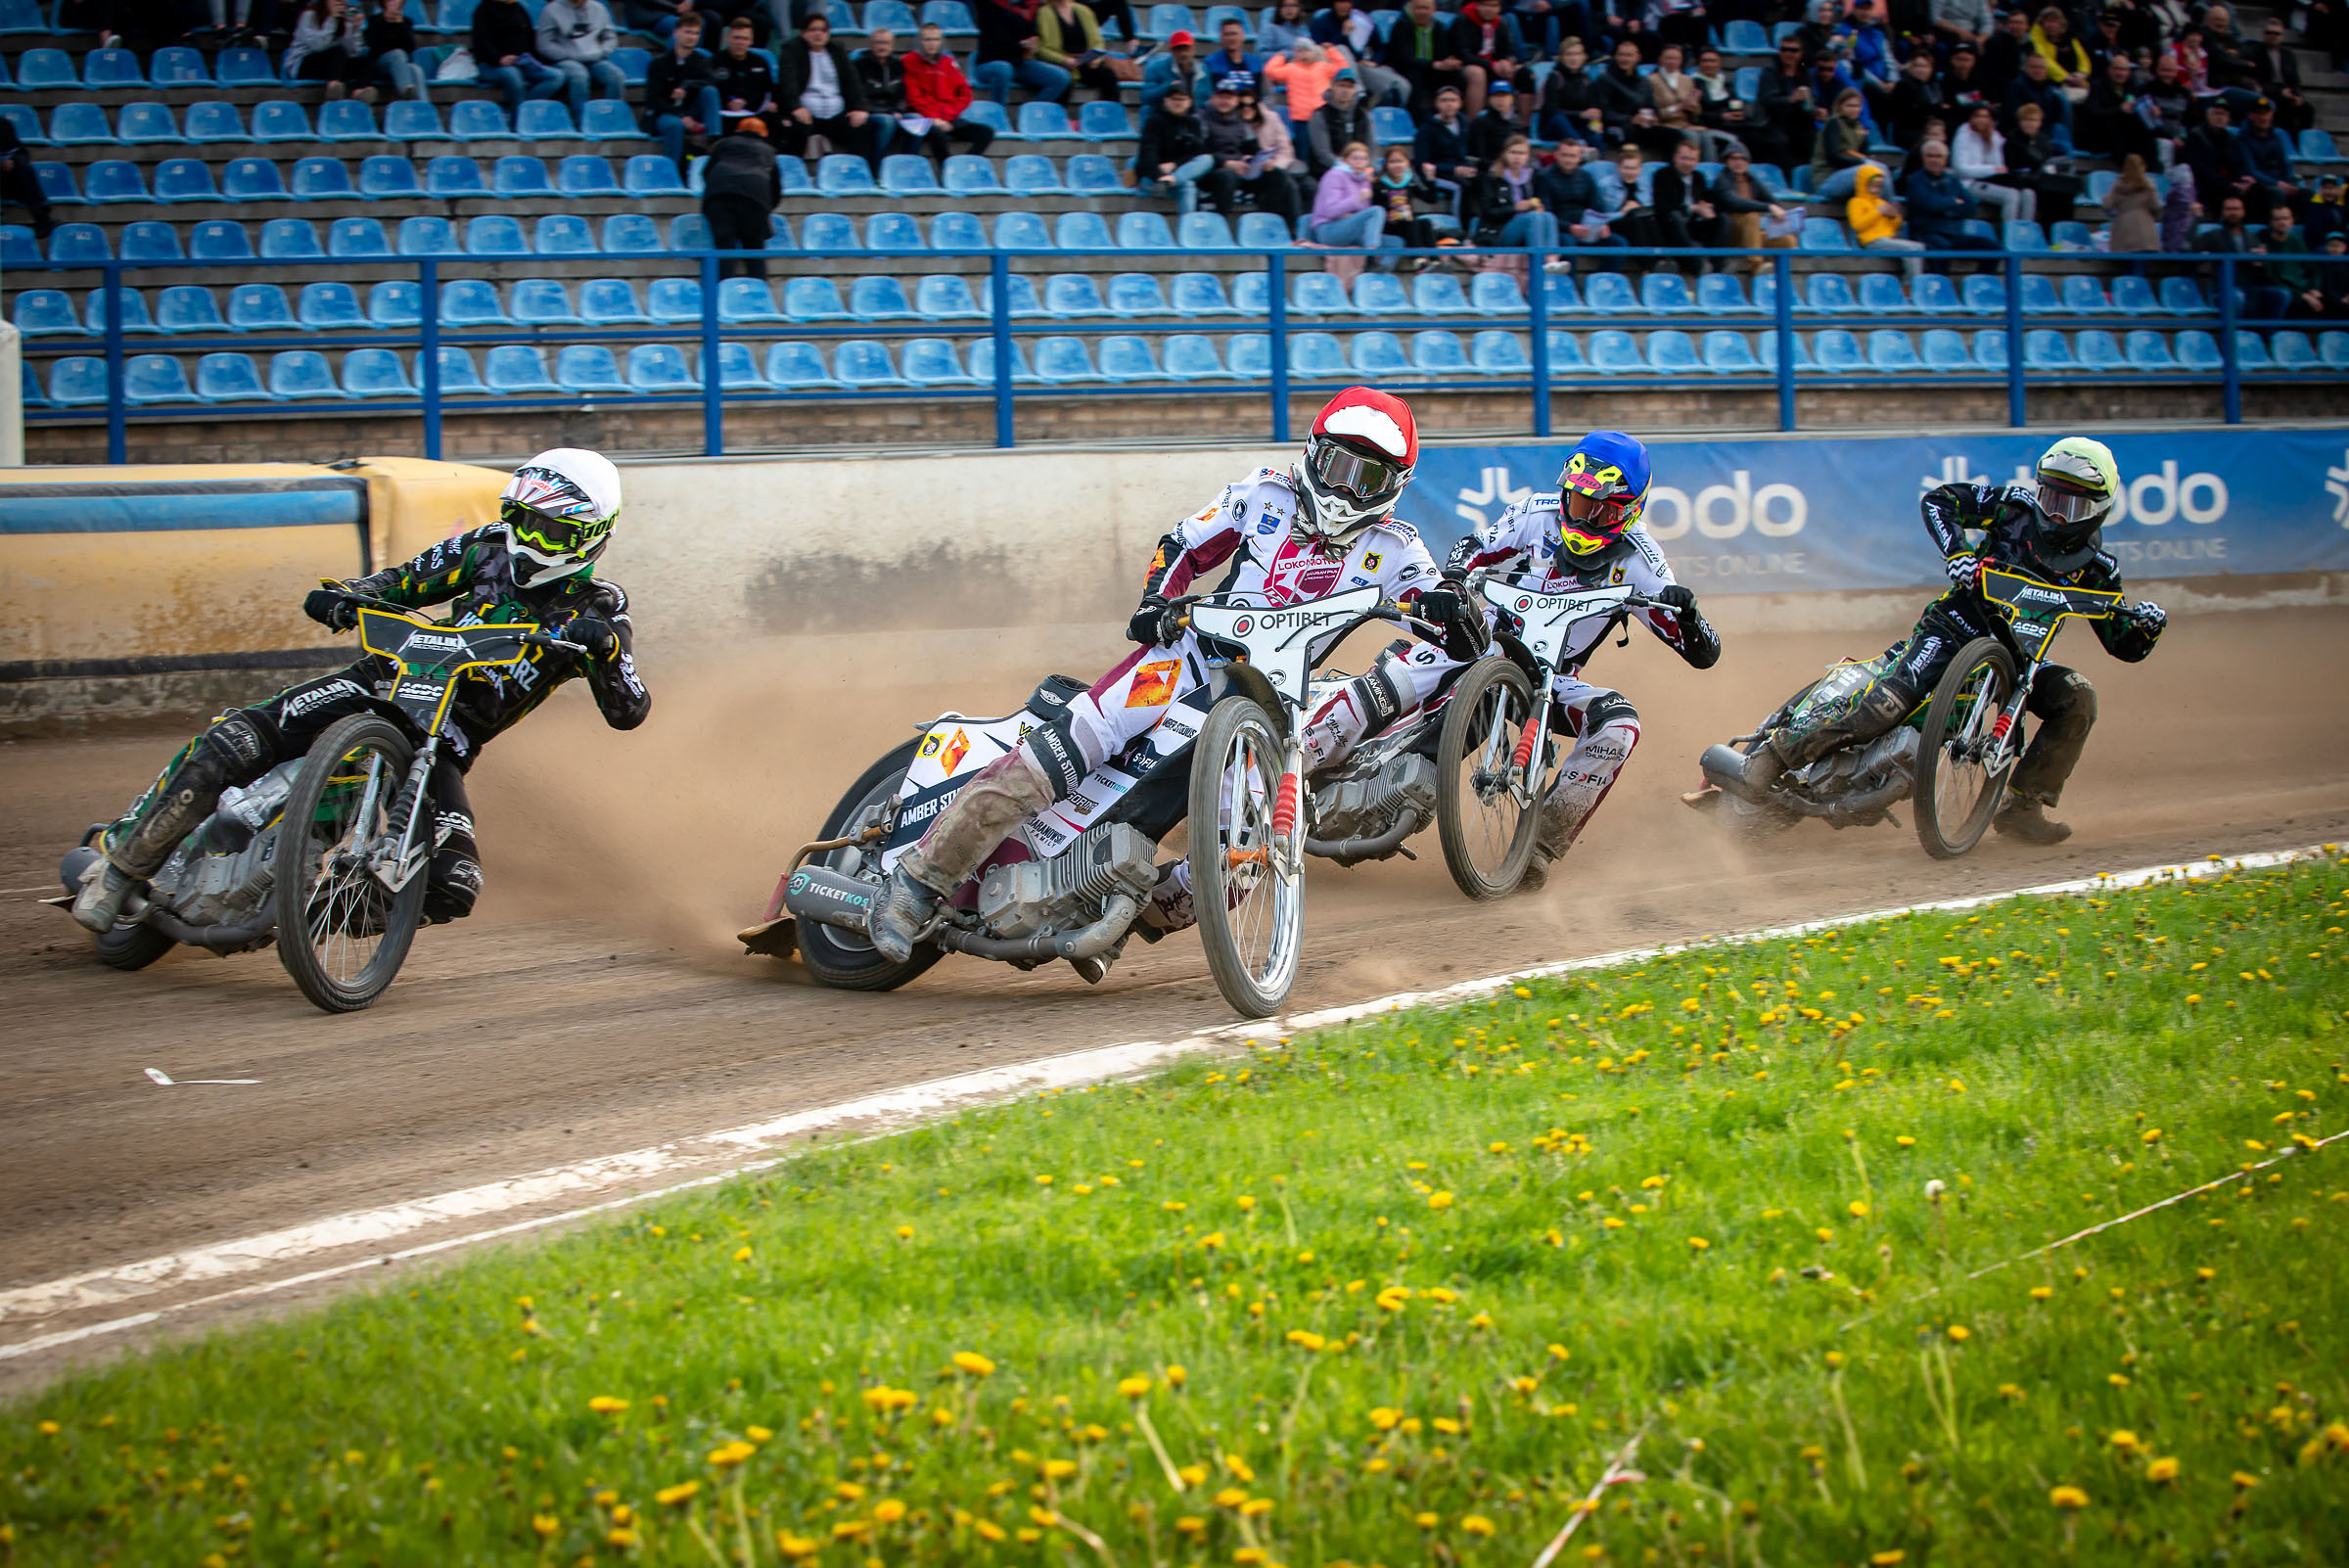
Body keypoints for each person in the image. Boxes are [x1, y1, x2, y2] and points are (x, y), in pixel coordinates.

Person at [867, 390, 1471, 964]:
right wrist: (1157, 598)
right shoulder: (1264, 494)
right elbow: (1182, 544)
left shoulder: (1395, 548)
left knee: (1245, 854)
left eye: (1367, 477)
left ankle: (1121, 904)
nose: (1345, 488)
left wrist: (1453, 609)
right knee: (1059, 756)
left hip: (1271, 704)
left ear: (1393, 488)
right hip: (1182, 659)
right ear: (1314, 453)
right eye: (1338, 465)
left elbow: (1441, 614)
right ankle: (919, 882)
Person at [70, 451, 652, 937]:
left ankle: (316, 922)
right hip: (378, 683)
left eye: (545, 528)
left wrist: (603, 650)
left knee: (455, 883)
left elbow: (630, 709)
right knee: (237, 741)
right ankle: (121, 869)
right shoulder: (484, 549)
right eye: (520, 519)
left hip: (443, 742)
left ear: (590, 535)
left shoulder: (599, 607)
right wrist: (346, 595)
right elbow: (397, 582)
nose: (526, 539)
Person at [1721, 438, 2163, 846]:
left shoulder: (2100, 569)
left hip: (2019, 663)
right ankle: (1774, 759)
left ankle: (2022, 806)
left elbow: (2123, 645)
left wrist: (2146, 628)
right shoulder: (2013, 507)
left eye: (2071, 505)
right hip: (1953, 627)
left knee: (2079, 697)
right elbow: (1941, 501)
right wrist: (1958, 554)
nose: (2057, 514)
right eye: (2052, 498)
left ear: (2099, 509)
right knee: (1887, 704)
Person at [1440, 431, 1720, 888]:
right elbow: (1471, 549)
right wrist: (1454, 581)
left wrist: (1688, 615)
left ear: (1630, 509)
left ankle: (1539, 844)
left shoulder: (1641, 562)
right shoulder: (1536, 513)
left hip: (1553, 682)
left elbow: (1703, 654)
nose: (1585, 518)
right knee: (1416, 662)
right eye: (1578, 503)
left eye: (1601, 510)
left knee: (1620, 725)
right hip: (1487, 645)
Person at [776, 11, 879, 169]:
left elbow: (853, 82)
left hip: (836, 114)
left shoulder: (837, 50)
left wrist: (860, 108)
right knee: (796, 127)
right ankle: (791, 171)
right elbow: (788, 83)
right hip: (807, 113)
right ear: (803, 33)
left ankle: (859, 172)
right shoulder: (791, 50)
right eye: (813, 29)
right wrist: (795, 107)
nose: (818, 34)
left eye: (823, 30)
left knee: (863, 126)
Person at [900, 21, 996, 167]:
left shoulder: (948, 62)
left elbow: (965, 94)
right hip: (926, 119)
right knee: (938, 134)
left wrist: (947, 117)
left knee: (986, 132)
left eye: (936, 39)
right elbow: (914, 99)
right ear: (920, 41)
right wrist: (935, 119)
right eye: (927, 39)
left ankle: (964, 166)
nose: (932, 44)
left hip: (949, 118)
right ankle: (947, 170)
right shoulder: (909, 61)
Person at [645, 13, 723, 172]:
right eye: (687, 32)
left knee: (710, 91)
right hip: (666, 113)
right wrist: (681, 116)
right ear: (676, 33)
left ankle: (714, 138)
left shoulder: (702, 61)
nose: (692, 37)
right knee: (674, 125)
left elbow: (710, 82)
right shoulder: (658, 64)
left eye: (695, 33)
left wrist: (687, 88)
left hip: (692, 111)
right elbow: (653, 100)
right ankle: (670, 172)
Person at [704, 115, 780, 274]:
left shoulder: (724, 144)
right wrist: (766, 209)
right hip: (755, 197)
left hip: (719, 194)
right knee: (754, 247)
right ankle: (759, 290)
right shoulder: (768, 151)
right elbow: (775, 187)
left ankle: (723, 291)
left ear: (738, 131)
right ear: (763, 134)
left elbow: (706, 172)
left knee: (724, 247)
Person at [1900, 138, 1999, 258]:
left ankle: (1983, 277)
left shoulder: (1952, 180)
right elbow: (1929, 203)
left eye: (1938, 156)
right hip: (1926, 233)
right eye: (1930, 156)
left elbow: (1970, 208)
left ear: (1945, 159)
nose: (1934, 160)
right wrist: (1953, 202)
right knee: (1942, 247)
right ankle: (1939, 277)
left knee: (1991, 247)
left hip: (1953, 233)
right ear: (1923, 158)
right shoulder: (1915, 180)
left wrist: (1944, 207)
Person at [533, 0, 626, 120]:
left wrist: (602, 51)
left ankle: (611, 118)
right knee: (579, 75)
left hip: (594, 57)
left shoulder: (599, 8)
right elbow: (544, 44)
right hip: (565, 58)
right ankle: (581, 121)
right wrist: (568, 55)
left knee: (616, 76)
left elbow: (610, 37)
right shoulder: (551, 10)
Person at [1381, 0, 1469, 118]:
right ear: (1411, 10)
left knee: (1456, 75)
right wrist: (1435, 65)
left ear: (1433, 10)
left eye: (1426, 8)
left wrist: (1449, 63)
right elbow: (1405, 60)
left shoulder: (1438, 27)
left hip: (1430, 70)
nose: (1422, 12)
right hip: (1405, 70)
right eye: (1418, 8)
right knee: (1415, 76)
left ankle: (1456, 117)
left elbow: (1443, 55)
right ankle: (1416, 119)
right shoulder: (1401, 26)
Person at [1313, 140, 1402, 255]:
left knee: (1396, 243)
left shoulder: (1364, 179)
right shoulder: (1334, 175)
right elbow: (1330, 211)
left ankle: (1377, 271)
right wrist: (1357, 200)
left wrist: (1373, 186)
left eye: (1364, 159)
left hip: (1354, 229)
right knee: (1377, 211)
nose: (1359, 162)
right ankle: (1371, 253)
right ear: (1345, 160)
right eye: (1355, 158)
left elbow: (1364, 214)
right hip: (1329, 230)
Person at [1265, 37, 1357, 149]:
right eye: (1299, 51)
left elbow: (1343, 68)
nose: (1304, 55)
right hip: (1301, 119)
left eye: (1307, 51)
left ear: (1314, 52)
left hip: (1322, 116)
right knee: (1304, 151)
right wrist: (1281, 56)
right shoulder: (1290, 69)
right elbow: (1270, 71)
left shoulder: (1323, 67)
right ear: (1295, 55)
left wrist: (1331, 51)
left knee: (1324, 147)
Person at [975, 0, 1071, 106]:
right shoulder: (988, 7)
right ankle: (998, 114)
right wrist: (1021, 46)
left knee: (1061, 77)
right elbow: (999, 43)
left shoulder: (1024, 11)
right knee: (1004, 69)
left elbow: (1031, 36)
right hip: (989, 64)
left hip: (1017, 64)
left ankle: (1031, 113)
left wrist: (1032, 44)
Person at [473, 0, 562, 114]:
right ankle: (519, 119)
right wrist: (500, 59)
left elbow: (529, 38)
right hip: (491, 65)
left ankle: (524, 110)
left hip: (522, 62)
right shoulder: (483, 10)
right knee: (513, 74)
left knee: (556, 76)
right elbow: (481, 42)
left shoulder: (518, 8)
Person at [1136, 82, 1214, 211]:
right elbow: (1148, 152)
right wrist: (1158, 175)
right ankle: (1186, 228)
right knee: (1188, 185)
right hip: (1155, 177)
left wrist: (1175, 166)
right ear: (1166, 101)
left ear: (1189, 102)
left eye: (1182, 99)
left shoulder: (1193, 123)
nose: (1178, 103)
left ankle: (1173, 180)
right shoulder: (1154, 122)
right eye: (1174, 99)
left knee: (1207, 159)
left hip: (1178, 174)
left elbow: (1197, 153)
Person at [1472, 134, 1559, 247]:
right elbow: (1488, 212)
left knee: (1548, 216)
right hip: (1499, 230)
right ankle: (1538, 260)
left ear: (1527, 156)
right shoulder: (1492, 178)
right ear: (1504, 154)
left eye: (1521, 153)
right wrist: (1515, 208)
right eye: (1513, 152)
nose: (1517, 157)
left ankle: (1552, 261)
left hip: (1528, 227)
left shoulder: (1532, 177)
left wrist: (1537, 208)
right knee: (1533, 217)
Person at [1954, 101, 2033, 224]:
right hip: (1970, 183)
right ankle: (2010, 236)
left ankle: (2026, 234)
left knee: (2028, 193)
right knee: (2011, 195)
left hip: (1992, 180)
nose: (1981, 120)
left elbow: (1999, 165)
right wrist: (1990, 170)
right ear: (1971, 118)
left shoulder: (1994, 135)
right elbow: (1960, 169)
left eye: (1985, 116)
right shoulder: (1963, 136)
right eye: (1977, 116)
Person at [1447, 0, 1523, 115]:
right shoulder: (1462, 21)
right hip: (1464, 67)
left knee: (1517, 72)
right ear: (1477, 6)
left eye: (1493, 6)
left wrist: (1506, 62)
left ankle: (1513, 122)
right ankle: (1474, 124)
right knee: (1478, 73)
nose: (1489, 9)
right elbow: (1463, 54)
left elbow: (1510, 50)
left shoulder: (1502, 23)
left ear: (1499, 8)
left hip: (1493, 66)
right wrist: (1491, 65)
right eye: (1485, 5)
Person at [1650, 135, 1722, 258]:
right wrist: (1692, 208)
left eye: (1692, 159)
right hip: (1670, 226)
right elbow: (1663, 206)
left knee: (1723, 219)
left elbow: (1706, 199)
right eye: (1684, 158)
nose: (1687, 163)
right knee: (1675, 216)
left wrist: (1708, 209)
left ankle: (1718, 263)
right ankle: (1698, 263)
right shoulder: (1662, 175)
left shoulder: (1699, 177)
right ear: (1675, 158)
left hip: (1693, 224)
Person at [1036, 0, 1122, 101]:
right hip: (1060, 63)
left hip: (1085, 61)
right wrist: (1064, 60)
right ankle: (1058, 114)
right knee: (1063, 78)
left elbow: (1098, 42)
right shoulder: (1044, 13)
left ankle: (1112, 113)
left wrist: (1095, 59)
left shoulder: (1084, 11)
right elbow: (1041, 49)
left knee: (1107, 74)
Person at [1849, 161, 1923, 276]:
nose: (1876, 188)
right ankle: (1911, 284)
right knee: (1911, 248)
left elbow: (1894, 228)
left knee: (1919, 247)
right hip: (1871, 241)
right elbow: (1857, 225)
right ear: (1864, 182)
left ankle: (1911, 282)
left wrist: (1894, 217)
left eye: (1879, 185)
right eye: (1873, 184)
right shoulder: (1856, 202)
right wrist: (1877, 212)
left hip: (1887, 239)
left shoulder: (1881, 202)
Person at [284, 0, 371, 98]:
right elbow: (318, 46)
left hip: (331, 65)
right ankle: (334, 87)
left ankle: (360, 91)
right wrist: (332, 19)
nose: (340, 2)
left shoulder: (343, 18)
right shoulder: (309, 16)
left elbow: (352, 52)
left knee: (365, 60)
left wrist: (354, 28)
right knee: (337, 51)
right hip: (303, 65)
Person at [709, 17, 780, 131]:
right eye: (736, 38)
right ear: (727, 37)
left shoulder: (760, 62)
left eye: (745, 39)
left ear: (751, 41)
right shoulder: (715, 61)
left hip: (754, 112)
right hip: (723, 114)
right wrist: (728, 102)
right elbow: (711, 89)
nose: (740, 42)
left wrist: (746, 102)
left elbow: (767, 90)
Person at [1374, 143, 1446, 254]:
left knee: (1425, 223)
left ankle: (1435, 260)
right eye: (1392, 162)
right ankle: (1418, 260)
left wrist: (1430, 179)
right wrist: (1387, 213)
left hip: (1407, 221)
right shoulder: (1379, 184)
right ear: (1386, 164)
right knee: (1412, 225)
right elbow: (1374, 207)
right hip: (1389, 226)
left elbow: (1431, 199)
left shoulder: (1410, 181)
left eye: (1400, 161)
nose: (1397, 165)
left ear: (1407, 163)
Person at [1809, 88, 1876, 204]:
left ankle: (1881, 210)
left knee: (1878, 170)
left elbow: (1865, 154)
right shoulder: (1833, 123)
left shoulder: (1858, 127)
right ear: (1840, 106)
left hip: (1848, 175)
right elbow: (1833, 157)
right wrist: (1861, 163)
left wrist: (1865, 159)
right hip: (1827, 179)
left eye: (1857, 106)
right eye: (1850, 106)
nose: (1854, 109)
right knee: (1871, 170)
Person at [1307, 68, 1378, 176]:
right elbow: (1322, 153)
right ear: (1332, 86)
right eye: (1341, 85)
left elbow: (1371, 148)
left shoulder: (1363, 115)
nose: (1345, 90)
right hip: (1329, 172)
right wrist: (1347, 169)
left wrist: (1368, 169)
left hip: (1360, 171)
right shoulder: (1320, 115)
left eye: (1350, 87)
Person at [1537, 36, 1605, 148]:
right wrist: (1580, 114)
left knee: (1596, 134)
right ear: (1561, 57)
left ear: (1584, 57)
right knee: (1559, 119)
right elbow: (1552, 111)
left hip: (1578, 127)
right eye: (1569, 54)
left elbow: (1593, 106)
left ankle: (1596, 159)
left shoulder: (1586, 79)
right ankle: (1580, 149)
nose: (1573, 58)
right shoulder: (1554, 77)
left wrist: (1595, 117)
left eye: (1577, 54)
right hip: (1554, 128)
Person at [851, 26, 908, 156]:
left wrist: (898, 110)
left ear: (892, 46)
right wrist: (889, 112)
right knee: (887, 121)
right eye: (878, 43)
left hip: (893, 111)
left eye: (886, 43)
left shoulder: (898, 65)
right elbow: (858, 95)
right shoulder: (859, 65)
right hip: (870, 111)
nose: (882, 47)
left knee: (916, 120)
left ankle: (910, 162)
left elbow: (901, 94)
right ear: (871, 45)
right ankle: (876, 166)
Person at [0, 106, 55, 239]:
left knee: (24, 169)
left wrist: (11, 161)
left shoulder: (3, 125)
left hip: (6, 182)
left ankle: (42, 219)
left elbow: (21, 153)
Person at [2253, 17, 2312, 134]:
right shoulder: (2256, 52)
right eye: (2269, 32)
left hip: (2288, 94)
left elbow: (2295, 80)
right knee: (2285, 110)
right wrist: (2279, 91)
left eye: (2277, 33)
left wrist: (2297, 95)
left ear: (2282, 36)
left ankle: (2302, 141)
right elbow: (2259, 80)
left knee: (2308, 109)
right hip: (2268, 94)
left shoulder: (2288, 55)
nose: (2273, 36)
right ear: (2264, 35)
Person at [363, 0, 428, 102]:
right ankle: (405, 90)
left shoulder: (406, 22)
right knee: (398, 53)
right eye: (391, 1)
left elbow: (410, 48)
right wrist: (386, 23)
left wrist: (400, 26)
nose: (395, 3)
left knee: (416, 70)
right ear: (384, 3)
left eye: (397, 1)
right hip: (380, 63)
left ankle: (423, 107)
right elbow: (374, 46)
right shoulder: (375, 20)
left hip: (400, 65)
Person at [1139, 26, 1207, 114]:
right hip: (1165, 118)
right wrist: (1168, 87)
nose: (1183, 53)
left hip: (1195, 120)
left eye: (1186, 48)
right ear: (1171, 51)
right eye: (1178, 49)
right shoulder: (1156, 69)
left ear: (1193, 49)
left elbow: (1207, 98)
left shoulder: (1203, 71)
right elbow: (1146, 97)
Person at [2104, 152, 2161, 251]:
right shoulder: (2149, 184)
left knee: (2124, 263)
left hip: (2123, 230)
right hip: (2145, 231)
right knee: (2143, 263)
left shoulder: (2118, 184)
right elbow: (2155, 206)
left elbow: (2108, 205)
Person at [1203, 15, 1266, 94]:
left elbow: (1266, 95)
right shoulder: (1210, 63)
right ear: (1221, 37)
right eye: (1227, 34)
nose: (1231, 38)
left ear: (1243, 36)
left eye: (1234, 34)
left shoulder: (1257, 63)